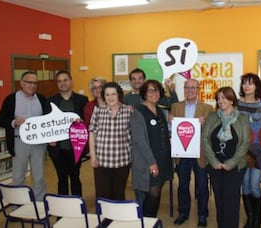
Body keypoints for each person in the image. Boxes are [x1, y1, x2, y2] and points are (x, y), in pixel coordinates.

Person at [0, 71, 51, 201]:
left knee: (39, 177)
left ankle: (39, 204)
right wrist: (14, 122)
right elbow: (0, 121)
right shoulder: (11, 99)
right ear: (21, 83)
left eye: (35, 83)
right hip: (19, 142)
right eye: (29, 82)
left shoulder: (42, 99)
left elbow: (49, 119)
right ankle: (17, 205)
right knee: (18, 177)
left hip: (38, 143)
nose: (32, 86)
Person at [202, 86, 250, 228]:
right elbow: (205, 139)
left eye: (223, 97)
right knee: (219, 200)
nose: (220, 100)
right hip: (215, 165)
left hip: (235, 165)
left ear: (231, 99)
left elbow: (245, 143)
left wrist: (231, 163)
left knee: (231, 200)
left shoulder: (242, 118)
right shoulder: (212, 117)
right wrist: (214, 161)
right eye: (218, 98)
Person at [168, 79, 213, 227]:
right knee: (182, 185)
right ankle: (183, 212)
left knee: (201, 186)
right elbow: (171, 131)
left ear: (198, 89)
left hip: (200, 153)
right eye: (187, 87)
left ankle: (202, 214)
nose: (190, 90)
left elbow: (212, 131)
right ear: (184, 89)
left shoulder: (207, 108)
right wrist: (170, 121)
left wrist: (205, 122)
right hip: (182, 154)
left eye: (193, 87)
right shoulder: (175, 107)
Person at [89, 82, 140, 200]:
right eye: (107, 95)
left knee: (118, 194)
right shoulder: (98, 111)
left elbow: (134, 134)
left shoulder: (128, 112)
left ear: (119, 95)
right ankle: (103, 218)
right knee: (102, 195)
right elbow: (92, 133)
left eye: (113, 94)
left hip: (121, 161)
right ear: (103, 96)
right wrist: (93, 155)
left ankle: (116, 218)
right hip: (102, 161)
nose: (110, 97)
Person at [133, 80, 173, 217]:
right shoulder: (138, 112)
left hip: (162, 159)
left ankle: (149, 221)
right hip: (148, 161)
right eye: (150, 90)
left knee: (157, 192)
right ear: (144, 93)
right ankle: (146, 221)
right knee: (153, 194)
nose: (154, 93)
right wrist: (151, 162)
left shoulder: (160, 111)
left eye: (156, 90)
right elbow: (139, 140)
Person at [47, 70, 88, 196]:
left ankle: (77, 208)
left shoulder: (82, 100)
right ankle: (62, 210)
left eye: (65, 80)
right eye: (59, 81)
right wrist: (50, 137)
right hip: (57, 148)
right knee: (62, 179)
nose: (62, 83)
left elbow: (88, 121)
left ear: (71, 81)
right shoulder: (50, 101)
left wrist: (82, 123)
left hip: (75, 147)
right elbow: (47, 123)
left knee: (75, 177)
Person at [238, 73, 261, 228]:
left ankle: (257, 220)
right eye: (244, 83)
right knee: (245, 184)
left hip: (258, 151)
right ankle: (250, 218)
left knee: (254, 184)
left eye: (251, 83)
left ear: (257, 86)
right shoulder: (235, 104)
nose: (247, 86)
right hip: (241, 151)